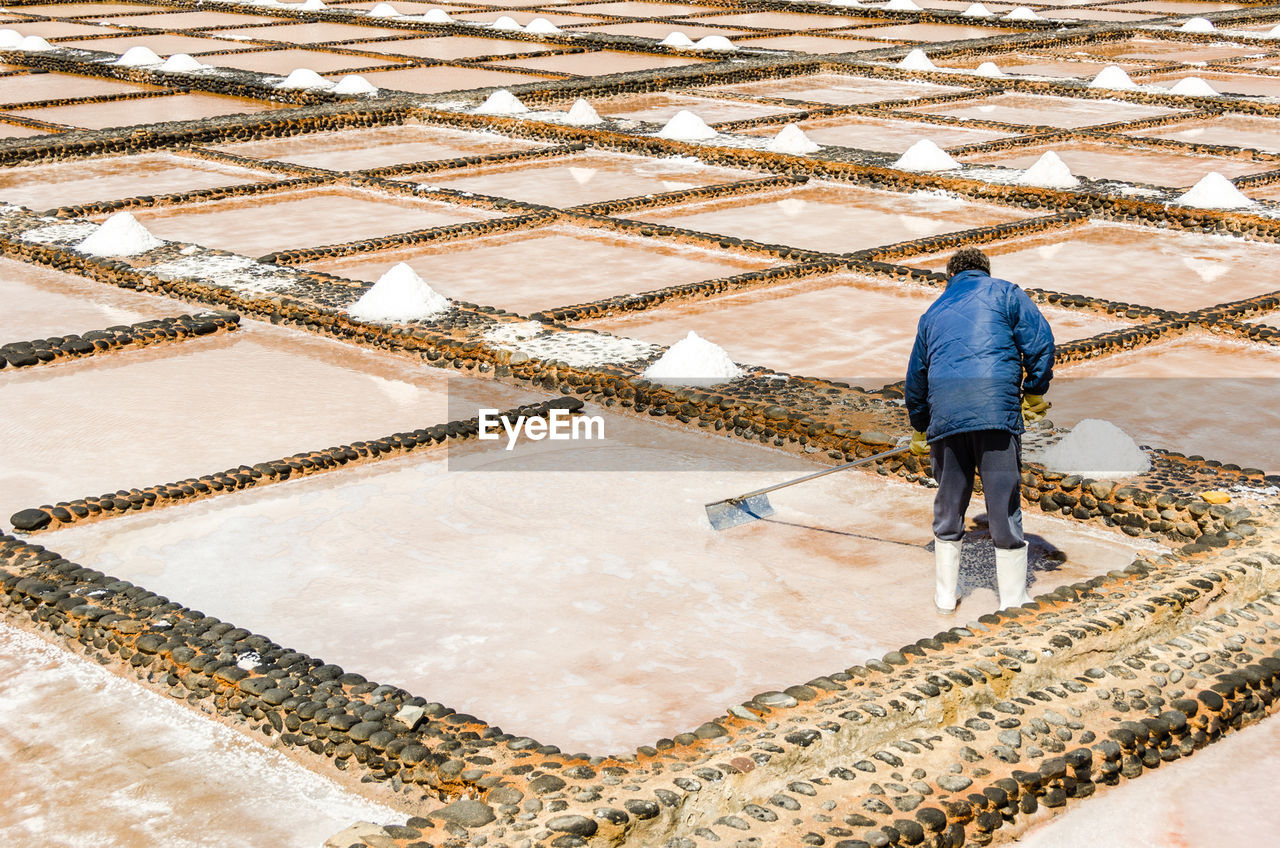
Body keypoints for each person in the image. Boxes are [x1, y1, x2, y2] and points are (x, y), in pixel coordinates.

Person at [905, 247, 1054, 614]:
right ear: (984, 271)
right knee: (1002, 505)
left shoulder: (933, 313)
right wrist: (1034, 392)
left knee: (949, 503)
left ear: (950, 277)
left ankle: (944, 597)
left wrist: (921, 427)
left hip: (946, 419)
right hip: (995, 416)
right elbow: (1040, 343)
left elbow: (915, 379)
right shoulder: (1006, 293)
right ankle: (1013, 599)